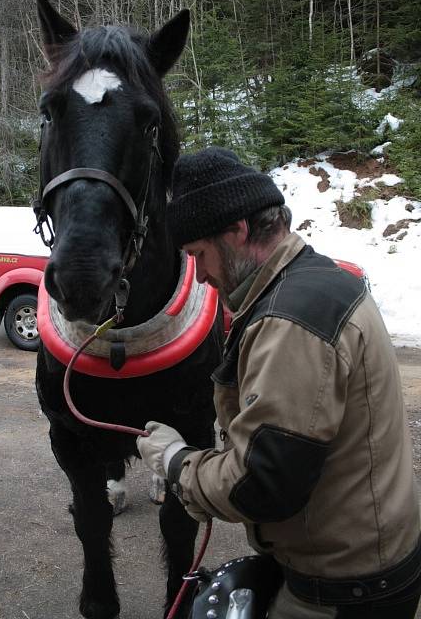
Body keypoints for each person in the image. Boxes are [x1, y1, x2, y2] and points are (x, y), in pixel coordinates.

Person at [137, 147, 421, 619]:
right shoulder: (320, 280)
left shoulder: (290, 321)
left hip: (342, 591)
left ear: (238, 230)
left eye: (199, 255)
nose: (201, 276)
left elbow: (261, 483)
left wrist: (176, 462)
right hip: (374, 561)